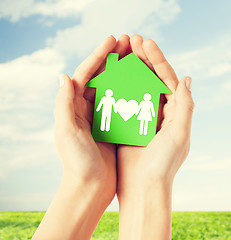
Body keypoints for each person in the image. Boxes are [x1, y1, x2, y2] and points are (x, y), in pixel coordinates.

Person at [32, 34, 194, 240]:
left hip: (140, 119)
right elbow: (101, 106)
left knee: (138, 124)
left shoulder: (142, 102)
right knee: (111, 121)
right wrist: (86, 180)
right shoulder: (108, 100)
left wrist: (143, 186)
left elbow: (136, 108)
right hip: (112, 117)